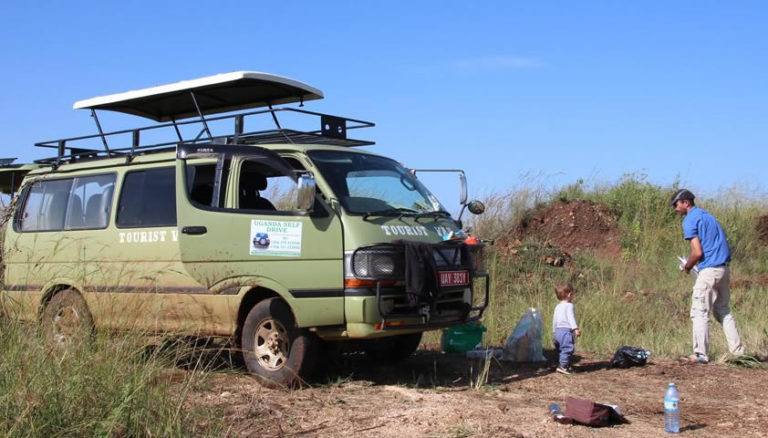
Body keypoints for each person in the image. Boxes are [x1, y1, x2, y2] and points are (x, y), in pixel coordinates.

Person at [669, 188, 745, 363]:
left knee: (699, 311)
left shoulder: (690, 220)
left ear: (686, 203)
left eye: (676, 204)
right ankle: (738, 352)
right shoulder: (709, 216)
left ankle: (700, 354)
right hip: (724, 269)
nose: (674, 208)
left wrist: (687, 266)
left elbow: (697, 252)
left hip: (709, 271)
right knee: (723, 311)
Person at [552, 283, 581, 374]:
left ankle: (563, 364)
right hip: (565, 330)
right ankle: (563, 366)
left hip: (557, 331)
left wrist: (554, 331)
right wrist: (575, 329)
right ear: (569, 294)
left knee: (561, 349)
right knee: (567, 348)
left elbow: (554, 319)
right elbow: (570, 318)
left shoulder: (557, 306)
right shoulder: (569, 306)